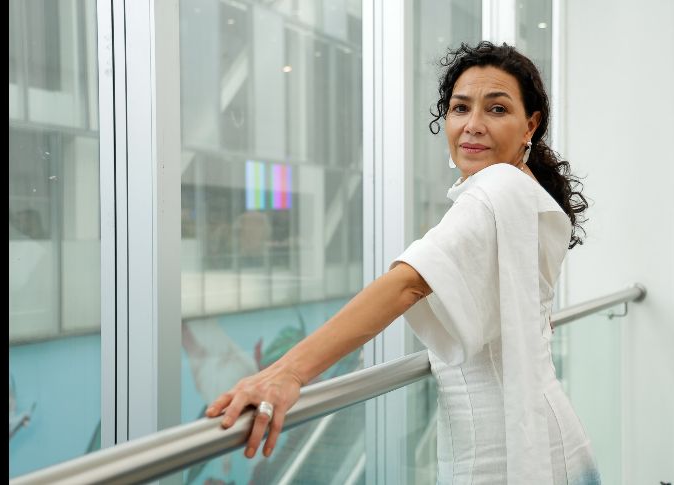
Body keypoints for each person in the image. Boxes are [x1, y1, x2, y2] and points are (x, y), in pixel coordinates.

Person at [206, 40, 599, 484]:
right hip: (544, 437)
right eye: (460, 108)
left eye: (496, 109)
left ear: (531, 124)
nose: (473, 126)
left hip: (505, 453)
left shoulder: (497, 191)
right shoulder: (526, 192)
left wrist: (288, 373)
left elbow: (408, 283)